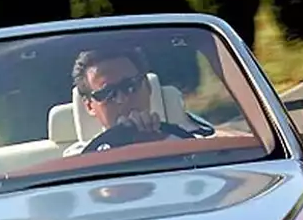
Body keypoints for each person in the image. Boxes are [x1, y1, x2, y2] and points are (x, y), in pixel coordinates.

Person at [60, 45, 209, 156]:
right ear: (89, 106)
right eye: (106, 93)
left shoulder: (188, 143)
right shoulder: (78, 159)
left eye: (130, 86)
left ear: (148, 88)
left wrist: (161, 142)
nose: (122, 99)